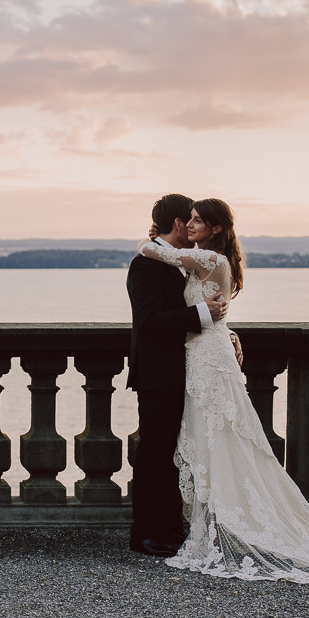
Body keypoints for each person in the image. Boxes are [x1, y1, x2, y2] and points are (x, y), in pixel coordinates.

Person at [136, 198, 309, 584]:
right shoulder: (170, 261)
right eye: (188, 220)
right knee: (186, 443)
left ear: (215, 228)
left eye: (198, 220)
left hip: (203, 361)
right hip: (182, 364)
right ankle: (161, 531)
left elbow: (195, 296)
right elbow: (173, 313)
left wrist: (149, 241)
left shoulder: (202, 259)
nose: (191, 226)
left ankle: (202, 525)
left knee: (218, 437)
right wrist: (218, 326)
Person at [126, 194, 228, 558]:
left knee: (175, 453)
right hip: (157, 374)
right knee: (155, 453)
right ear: (179, 224)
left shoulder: (174, 260)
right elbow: (150, 322)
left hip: (183, 371)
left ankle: (170, 528)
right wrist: (203, 315)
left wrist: (223, 331)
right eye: (192, 220)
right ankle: (146, 534)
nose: (196, 227)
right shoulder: (146, 264)